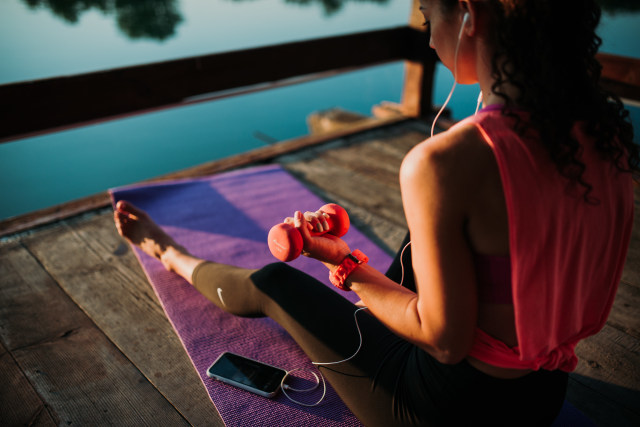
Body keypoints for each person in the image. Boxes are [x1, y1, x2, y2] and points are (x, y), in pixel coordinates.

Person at [114, 0, 637, 425]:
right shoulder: (604, 138)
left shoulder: (445, 162)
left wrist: (344, 267)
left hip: (448, 408)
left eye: (431, 20)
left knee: (276, 281)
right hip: (541, 393)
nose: (430, 40)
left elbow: (445, 340)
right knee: (420, 250)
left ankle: (167, 251)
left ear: (470, 14)